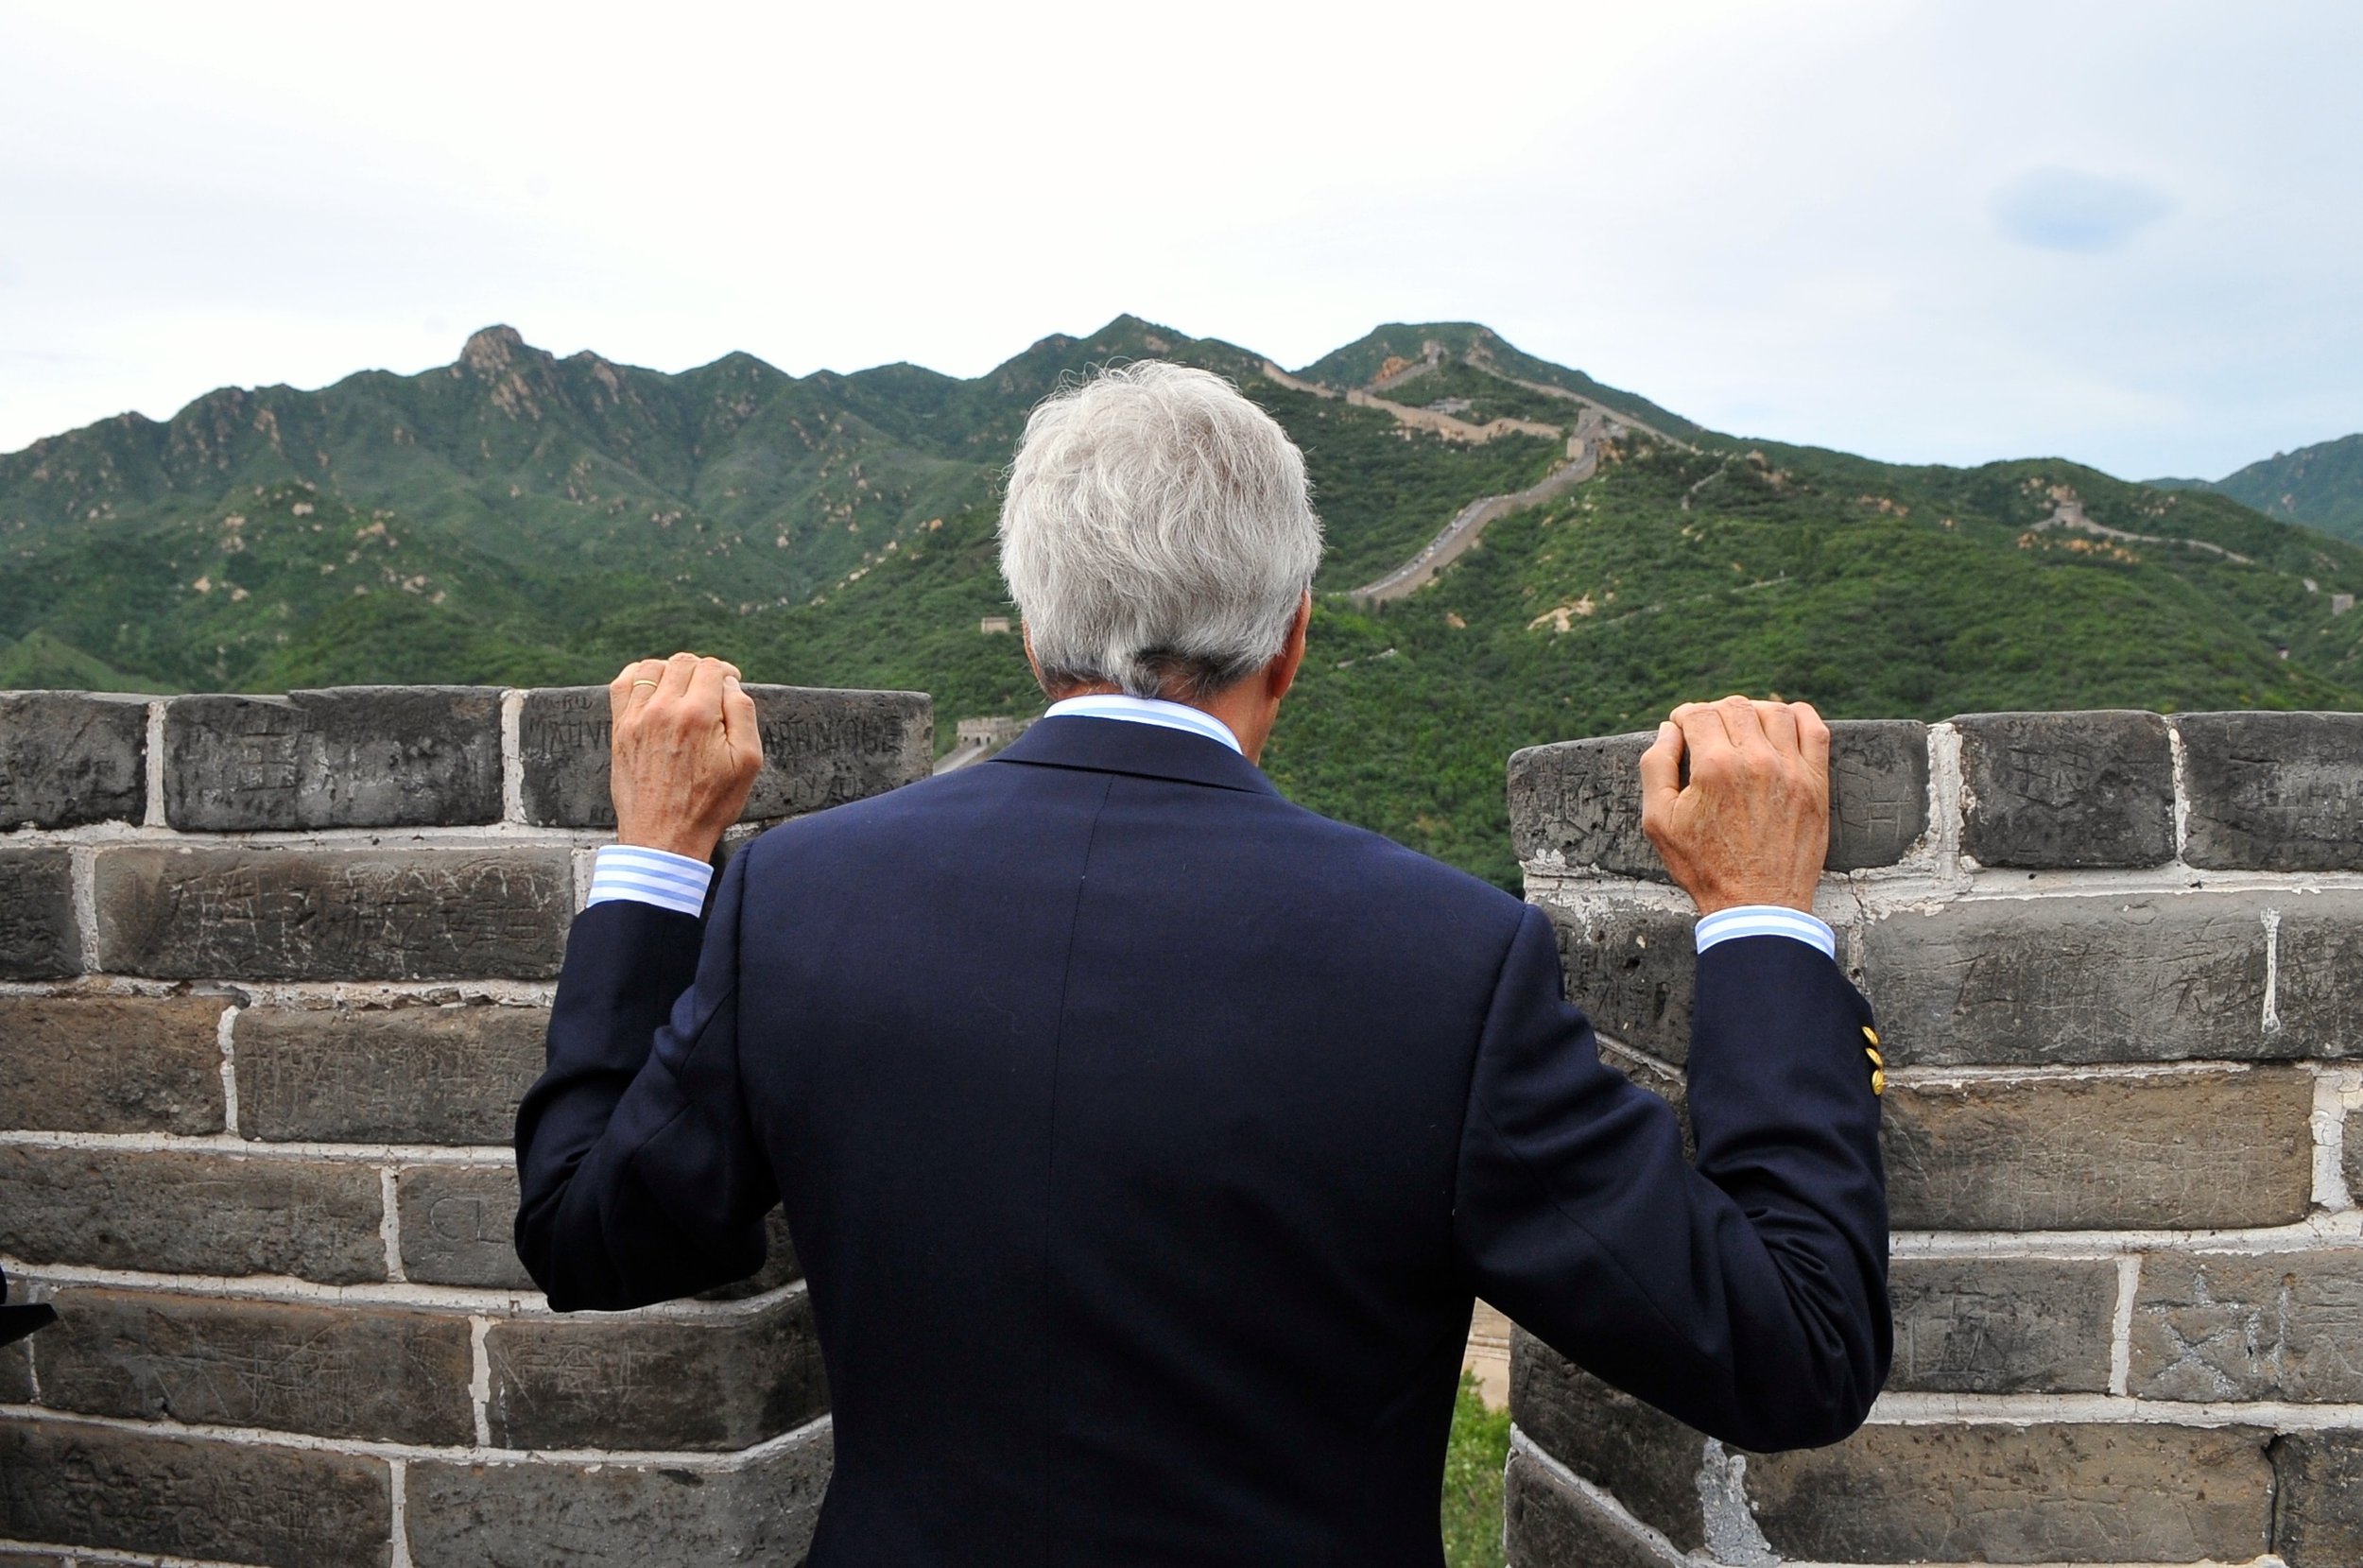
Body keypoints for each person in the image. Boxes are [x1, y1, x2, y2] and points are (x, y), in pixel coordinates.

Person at [515, 363, 1889, 1566]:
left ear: (1029, 628)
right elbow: (1793, 1348)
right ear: (1292, 639)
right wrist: (1762, 921)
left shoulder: (798, 899)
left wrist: (660, 863)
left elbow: (589, 1231)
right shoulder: (1447, 959)